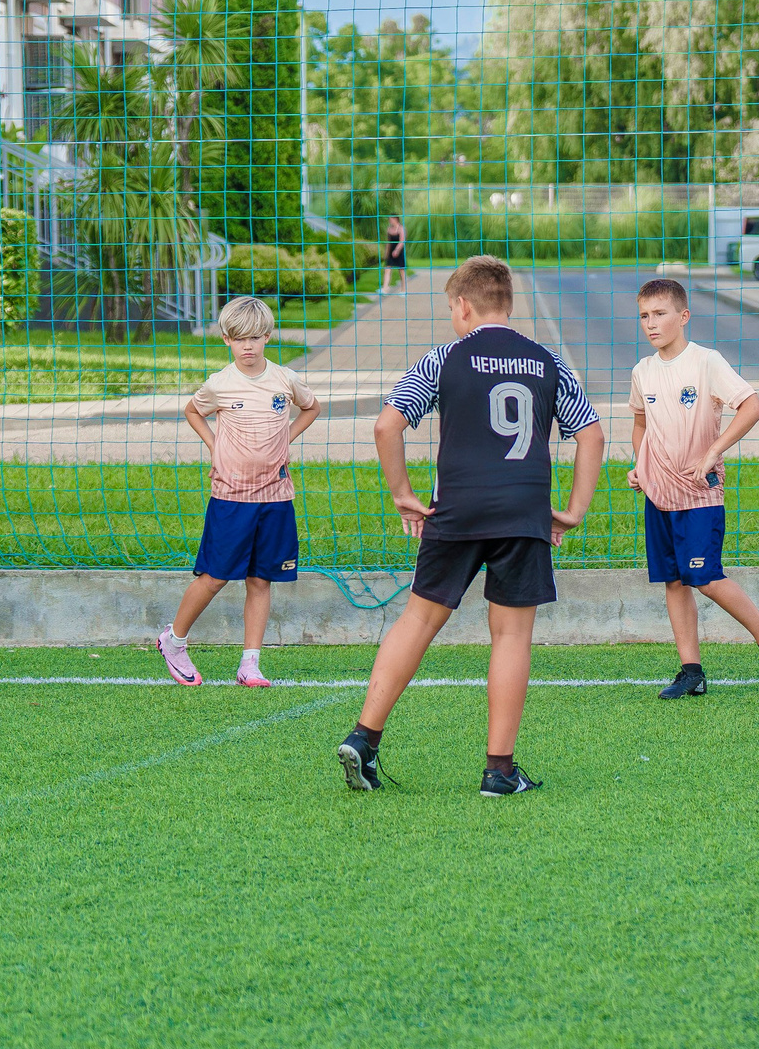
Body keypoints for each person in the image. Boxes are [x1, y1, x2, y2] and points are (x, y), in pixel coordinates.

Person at [336, 256, 603, 795]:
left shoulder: (443, 358)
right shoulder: (549, 361)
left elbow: (387, 426)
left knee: (418, 619)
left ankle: (365, 738)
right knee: (511, 635)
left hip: (455, 509)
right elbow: (591, 435)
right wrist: (574, 510)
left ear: (462, 306)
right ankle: (499, 770)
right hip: (523, 511)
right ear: (508, 304)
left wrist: (403, 496)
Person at [626, 277, 759, 699]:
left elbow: (752, 405)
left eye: (660, 314)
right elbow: (641, 424)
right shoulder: (642, 371)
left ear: (683, 316)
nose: (651, 323)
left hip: (700, 491)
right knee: (674, 581)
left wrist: (713, 451)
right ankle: (691, 672)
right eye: (644, 316)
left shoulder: (706, 362)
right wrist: (639, 465)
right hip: (659, 494)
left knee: (704, 577)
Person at [158, 295, 323, 689]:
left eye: (254, 337)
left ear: (267, 337)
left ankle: (250, 663)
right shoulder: (220, 384)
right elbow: (193, 411)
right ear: (226, 341)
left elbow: (312, 408)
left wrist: (285, 440)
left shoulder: (284, 379)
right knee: (215, 576)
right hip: (232, 495)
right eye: (238, 339)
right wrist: (215, 446)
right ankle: (173, 641)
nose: (247, 346)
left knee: (261, 579)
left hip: (276, 496)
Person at [382, 213, 408, 292]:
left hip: (399, 251)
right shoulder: (389, 229)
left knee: (401, 270)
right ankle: (385, 288)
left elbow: (402, 241)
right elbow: (388, 242)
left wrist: (397, 250)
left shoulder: (401, 228)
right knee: (387, 268)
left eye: (391, 219)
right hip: (391, 252)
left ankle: (403, 290)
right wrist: (386, 253)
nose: (389, 220)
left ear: (396, 219)